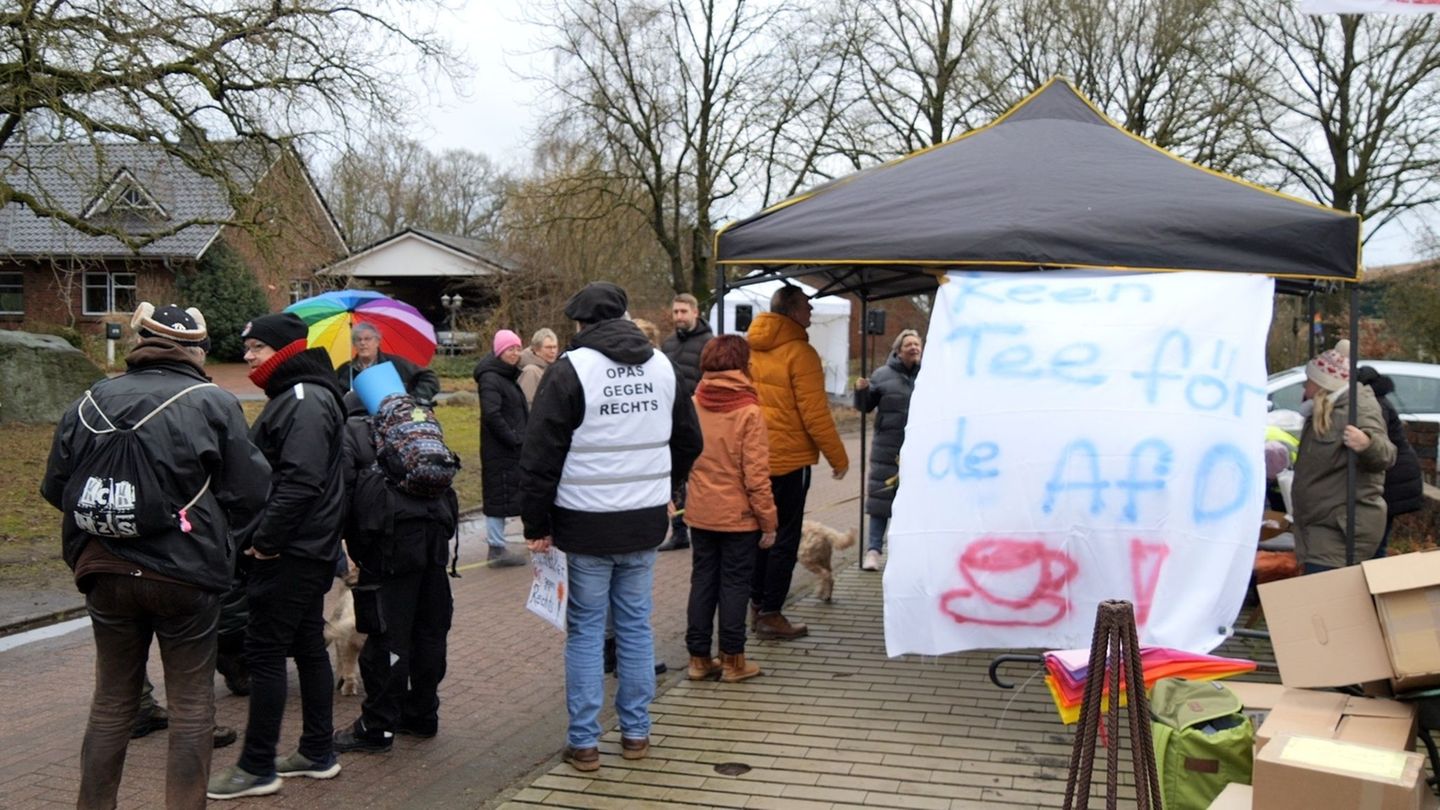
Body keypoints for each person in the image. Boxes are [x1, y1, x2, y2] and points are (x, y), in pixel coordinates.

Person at [42, 302, 270, 810]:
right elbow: (251, 491)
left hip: (104, 567)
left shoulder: (89, 400)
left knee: (111, 703)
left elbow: (57, 487)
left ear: (140, 341)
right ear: (198, 349)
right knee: (192, 706)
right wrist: (210, 532)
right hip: (186, 575)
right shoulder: (213, 401)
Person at [520, 282, 702, 773]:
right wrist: (669, 489)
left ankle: (584, 744)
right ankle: (637, 733)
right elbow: (689, 439)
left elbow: (539, 456)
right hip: (644, 523)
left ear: (580, 325)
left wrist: (535, 524)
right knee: (636, 627)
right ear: (622, 315)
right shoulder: (662, 366)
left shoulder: (570, 370)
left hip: (584, 524)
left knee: (585, 631)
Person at [208, 312, 348, 800]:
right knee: (308, 643)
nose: (247, 358)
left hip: (290, 551)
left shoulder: (304, 399)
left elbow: (301, 480)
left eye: (257, 350)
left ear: (284, 351)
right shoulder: (301, 395)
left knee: (265, 652)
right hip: (305, 547)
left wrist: (265, 540)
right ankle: (315, 752)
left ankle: (257, 765)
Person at [332, 392, 459, 752]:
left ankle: (377, 727)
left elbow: (342, 490)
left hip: (388, 547)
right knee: (429, 632)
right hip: (434, 539)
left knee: (386, 637)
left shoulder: (355, 431)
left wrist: (344, 544)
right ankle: (422, 714)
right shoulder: (419, 427)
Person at [746, 285, 849, 640]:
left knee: (760, 533)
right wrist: (838, 457)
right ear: (790, 311)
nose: (810, 311)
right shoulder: (800, 352)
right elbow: (815, 413)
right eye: (806, 306)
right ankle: (772, 614)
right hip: (789, 461)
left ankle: (756, 604)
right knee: (784, 538)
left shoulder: (750, 347)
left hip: (754, 457)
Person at [684, 335, 776, 684]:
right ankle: (733, 660)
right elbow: (756, 476)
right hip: (739, 516)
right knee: (735, 585)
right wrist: (769, 521)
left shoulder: (694, 403)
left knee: (703, 581)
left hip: (701, 511)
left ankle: (697, 658)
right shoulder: (749, 411)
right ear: (742, 364)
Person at [1291, 340, 1395, 574]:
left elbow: (1387, 455)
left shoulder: (1358, 408)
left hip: (1341, 529)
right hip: (1321, 526)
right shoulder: (1325, 409)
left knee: (1325, 602)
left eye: (1308, 381)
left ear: (1322, 385)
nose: (1304, 388)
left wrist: (1367, 444)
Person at [853, 329, 922, 572]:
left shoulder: (929, 376)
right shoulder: (882, 375)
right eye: (909, 345)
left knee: (915, 502)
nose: (914, 348)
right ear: (898, 350)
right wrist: (861, 391)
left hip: (919, 449)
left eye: (917, 344)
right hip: (887, 447)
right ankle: (873, 551)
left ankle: (906, 553)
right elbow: (865, 406)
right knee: (881, 501)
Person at [659, 293, 714, 552]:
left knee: (701, 475)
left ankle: (705, 525)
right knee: (676, 477)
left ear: (695, 312)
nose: (679, 316)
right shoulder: (668, 345)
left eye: (683, 311)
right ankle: (679, 531)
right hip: (672, 419)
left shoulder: (709, 343)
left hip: (701, 420)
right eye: (675, 312)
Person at [1356, 366, 1424, 558]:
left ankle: (1378, 580)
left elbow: (1378, 444)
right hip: (1399, 476)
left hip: (1393, 479)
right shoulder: (1380, 401)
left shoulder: (1375, 406)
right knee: (1379, 537)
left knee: (1377, 541)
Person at [474, 329, 529, 568]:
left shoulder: (505, 376)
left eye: (518, 348)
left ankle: (507, 543)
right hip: (500, 449)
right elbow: (492, 414)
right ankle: (496, 548)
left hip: (510, 447)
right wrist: (514, 438)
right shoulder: (491, 377)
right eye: (510, 349)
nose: (515, 353)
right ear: (499, 351)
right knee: (498, 495)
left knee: (509, 492)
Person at [335, 323, 440, 404]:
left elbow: (429, 378)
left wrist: (414, 399)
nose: (363, 343)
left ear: (377, 342)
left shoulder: (395, 363)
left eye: (367, 339)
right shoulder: (345, 370)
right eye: (358, 340)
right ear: (354, 344)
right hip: (356, 422)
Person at [518, 327, 560, 406]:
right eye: (548, 347)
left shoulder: (551, 369)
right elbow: (527, 405)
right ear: (537, 349)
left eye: (555, 347)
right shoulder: (531, 371)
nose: (553, 351)